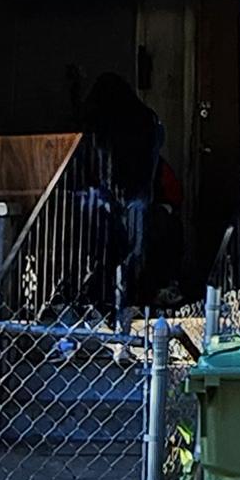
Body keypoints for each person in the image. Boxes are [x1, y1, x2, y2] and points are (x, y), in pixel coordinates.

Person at [81, 74, 164, 309]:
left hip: (110, 196)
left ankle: (103, 298)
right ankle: (131, 298)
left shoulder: (98, 125)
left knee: (105, 248)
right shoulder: (147, 122)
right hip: (137, 195)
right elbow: (152, 163)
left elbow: (95, 165)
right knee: (135, 250)